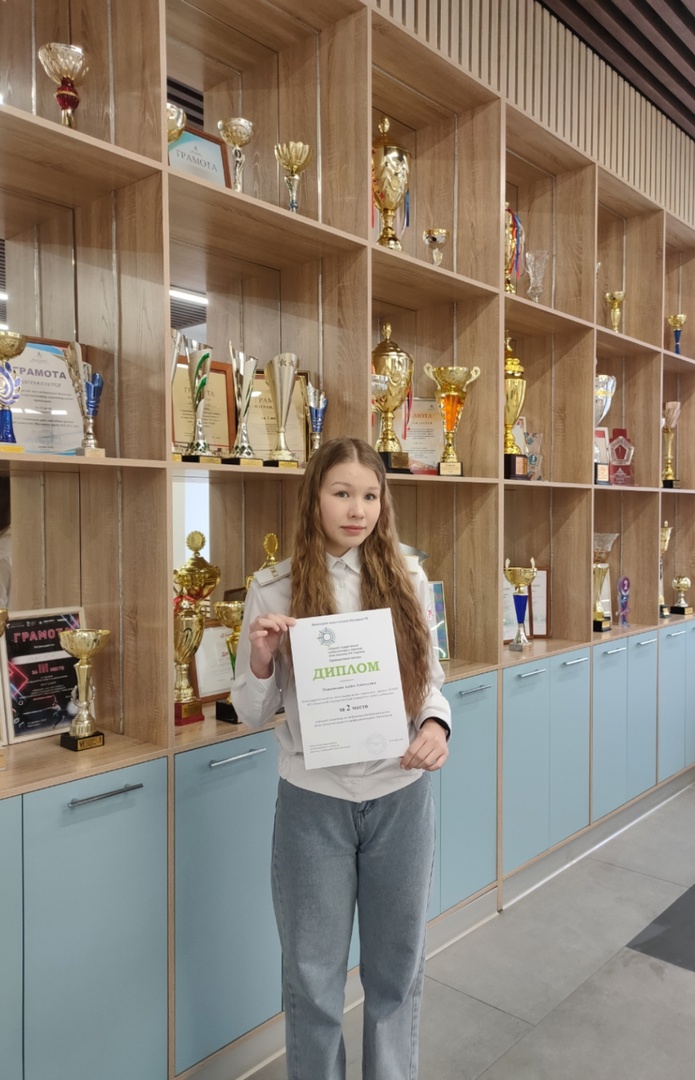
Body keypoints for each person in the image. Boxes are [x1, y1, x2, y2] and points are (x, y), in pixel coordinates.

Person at [232, 436, 451, 1080]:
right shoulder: (273, 590)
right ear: (314, 499)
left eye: (370, 495)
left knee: (396, 970)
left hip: (400, 797)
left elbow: (431, 681)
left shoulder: (407, 578)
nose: (358, 510)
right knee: (312, 979)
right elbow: (250, 710)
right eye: (342, 493)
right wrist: (262, 658)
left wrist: (435, 724)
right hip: (314, 803)